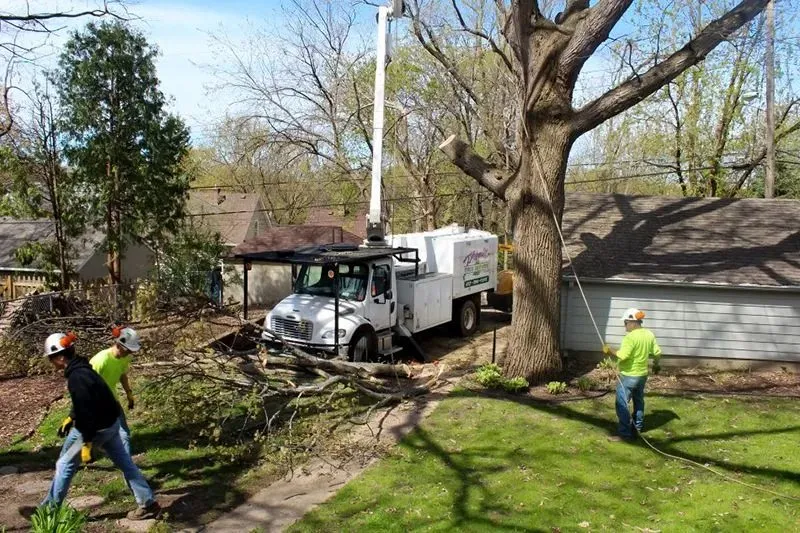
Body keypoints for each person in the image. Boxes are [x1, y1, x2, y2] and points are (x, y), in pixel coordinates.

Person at [37, 332, 160, 520]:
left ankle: (48, 512)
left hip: (94, 428)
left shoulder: (77, 377)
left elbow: (86, 409)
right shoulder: (85, 367)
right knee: (126, 463)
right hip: (110, 424)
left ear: (61, 357)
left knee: (64, 464)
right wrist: (71, 417)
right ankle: (148, 503)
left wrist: (86, 441)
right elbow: (88, 399)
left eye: (51, 358)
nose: (51, 362)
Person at [603, 308, 662, 442]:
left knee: (622, 403)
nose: (625, 326)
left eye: (625, 322)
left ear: (632, 322)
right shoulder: (649, 334)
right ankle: (638, 428)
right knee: (639, 401)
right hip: (642, 376)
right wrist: (656, 364)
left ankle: (624, 433)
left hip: (629, 376)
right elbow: (657, 353)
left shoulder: (630, 337)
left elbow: (623, 356)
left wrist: (609, 350)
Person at [88, 326, 141, 455]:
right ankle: (84, 451)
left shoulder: (125, 357)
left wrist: (129, 393)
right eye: (128, 349)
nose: (131, 353)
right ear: (119, 344)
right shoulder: (101, 360)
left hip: (112, 399)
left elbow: (122, 375)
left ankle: (127, 462)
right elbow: (86, 384)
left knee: (124, 432)